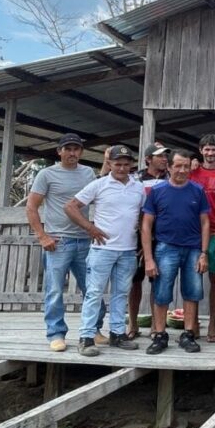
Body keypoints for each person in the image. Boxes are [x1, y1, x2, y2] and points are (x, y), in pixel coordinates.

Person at [65, 145, 145, 356]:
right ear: (109, 164)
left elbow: (143, 215)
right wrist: (89, 228)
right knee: (94, 293)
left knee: (121, 293)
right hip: (103, 249)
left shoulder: (138, 187)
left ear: (131, 166)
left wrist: (142, 241)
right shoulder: (99, 185)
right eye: (117, 164)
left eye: (126, 164)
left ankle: (117, 334)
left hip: (128, 250)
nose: (121, 168)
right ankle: (86, 337)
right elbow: (71, 206)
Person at [27, 133, 104, 352]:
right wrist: (42, 236)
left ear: (81, 152)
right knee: (54, 290)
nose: (72, 153)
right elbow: (32, 207)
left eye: (76, 149)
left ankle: (94, 329)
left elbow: (100, 196)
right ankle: (56, 333)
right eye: (68, 149)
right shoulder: (46, 174)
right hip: (58, 241)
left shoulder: (88, 172)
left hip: (84, 241)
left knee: (92, 288)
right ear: (59, 151)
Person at [141, 149, 210, 354]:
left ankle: (188, 334)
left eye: (186, 166)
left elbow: (205, 223)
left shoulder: (198, 191)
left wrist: (204, 253)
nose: (182, 170)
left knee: (192, 293)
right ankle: (160, 335)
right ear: (169, 167)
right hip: (165, 248)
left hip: (193, 249)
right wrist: (148, 259)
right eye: (178, 166)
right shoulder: (157, 191)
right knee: (162, 293)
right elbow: (146, 225)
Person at [190, 134, 215, 343]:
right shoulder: (191, 172)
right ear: (200, 150)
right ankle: (193, 322)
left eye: (214, 149)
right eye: (206, 149)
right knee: (193, 280)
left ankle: (213, 323)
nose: (210, 153)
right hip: (193, 233)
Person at [127, 143, 170, 339]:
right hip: (136, 235)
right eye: (159, 156)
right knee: (134, 281)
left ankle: (156, 325)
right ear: (148, 160)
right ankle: (132, 325)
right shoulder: (135, 178)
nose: (164, 159)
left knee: (157, 281)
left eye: (165, 156)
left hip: (161, 235)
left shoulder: (171, 178)